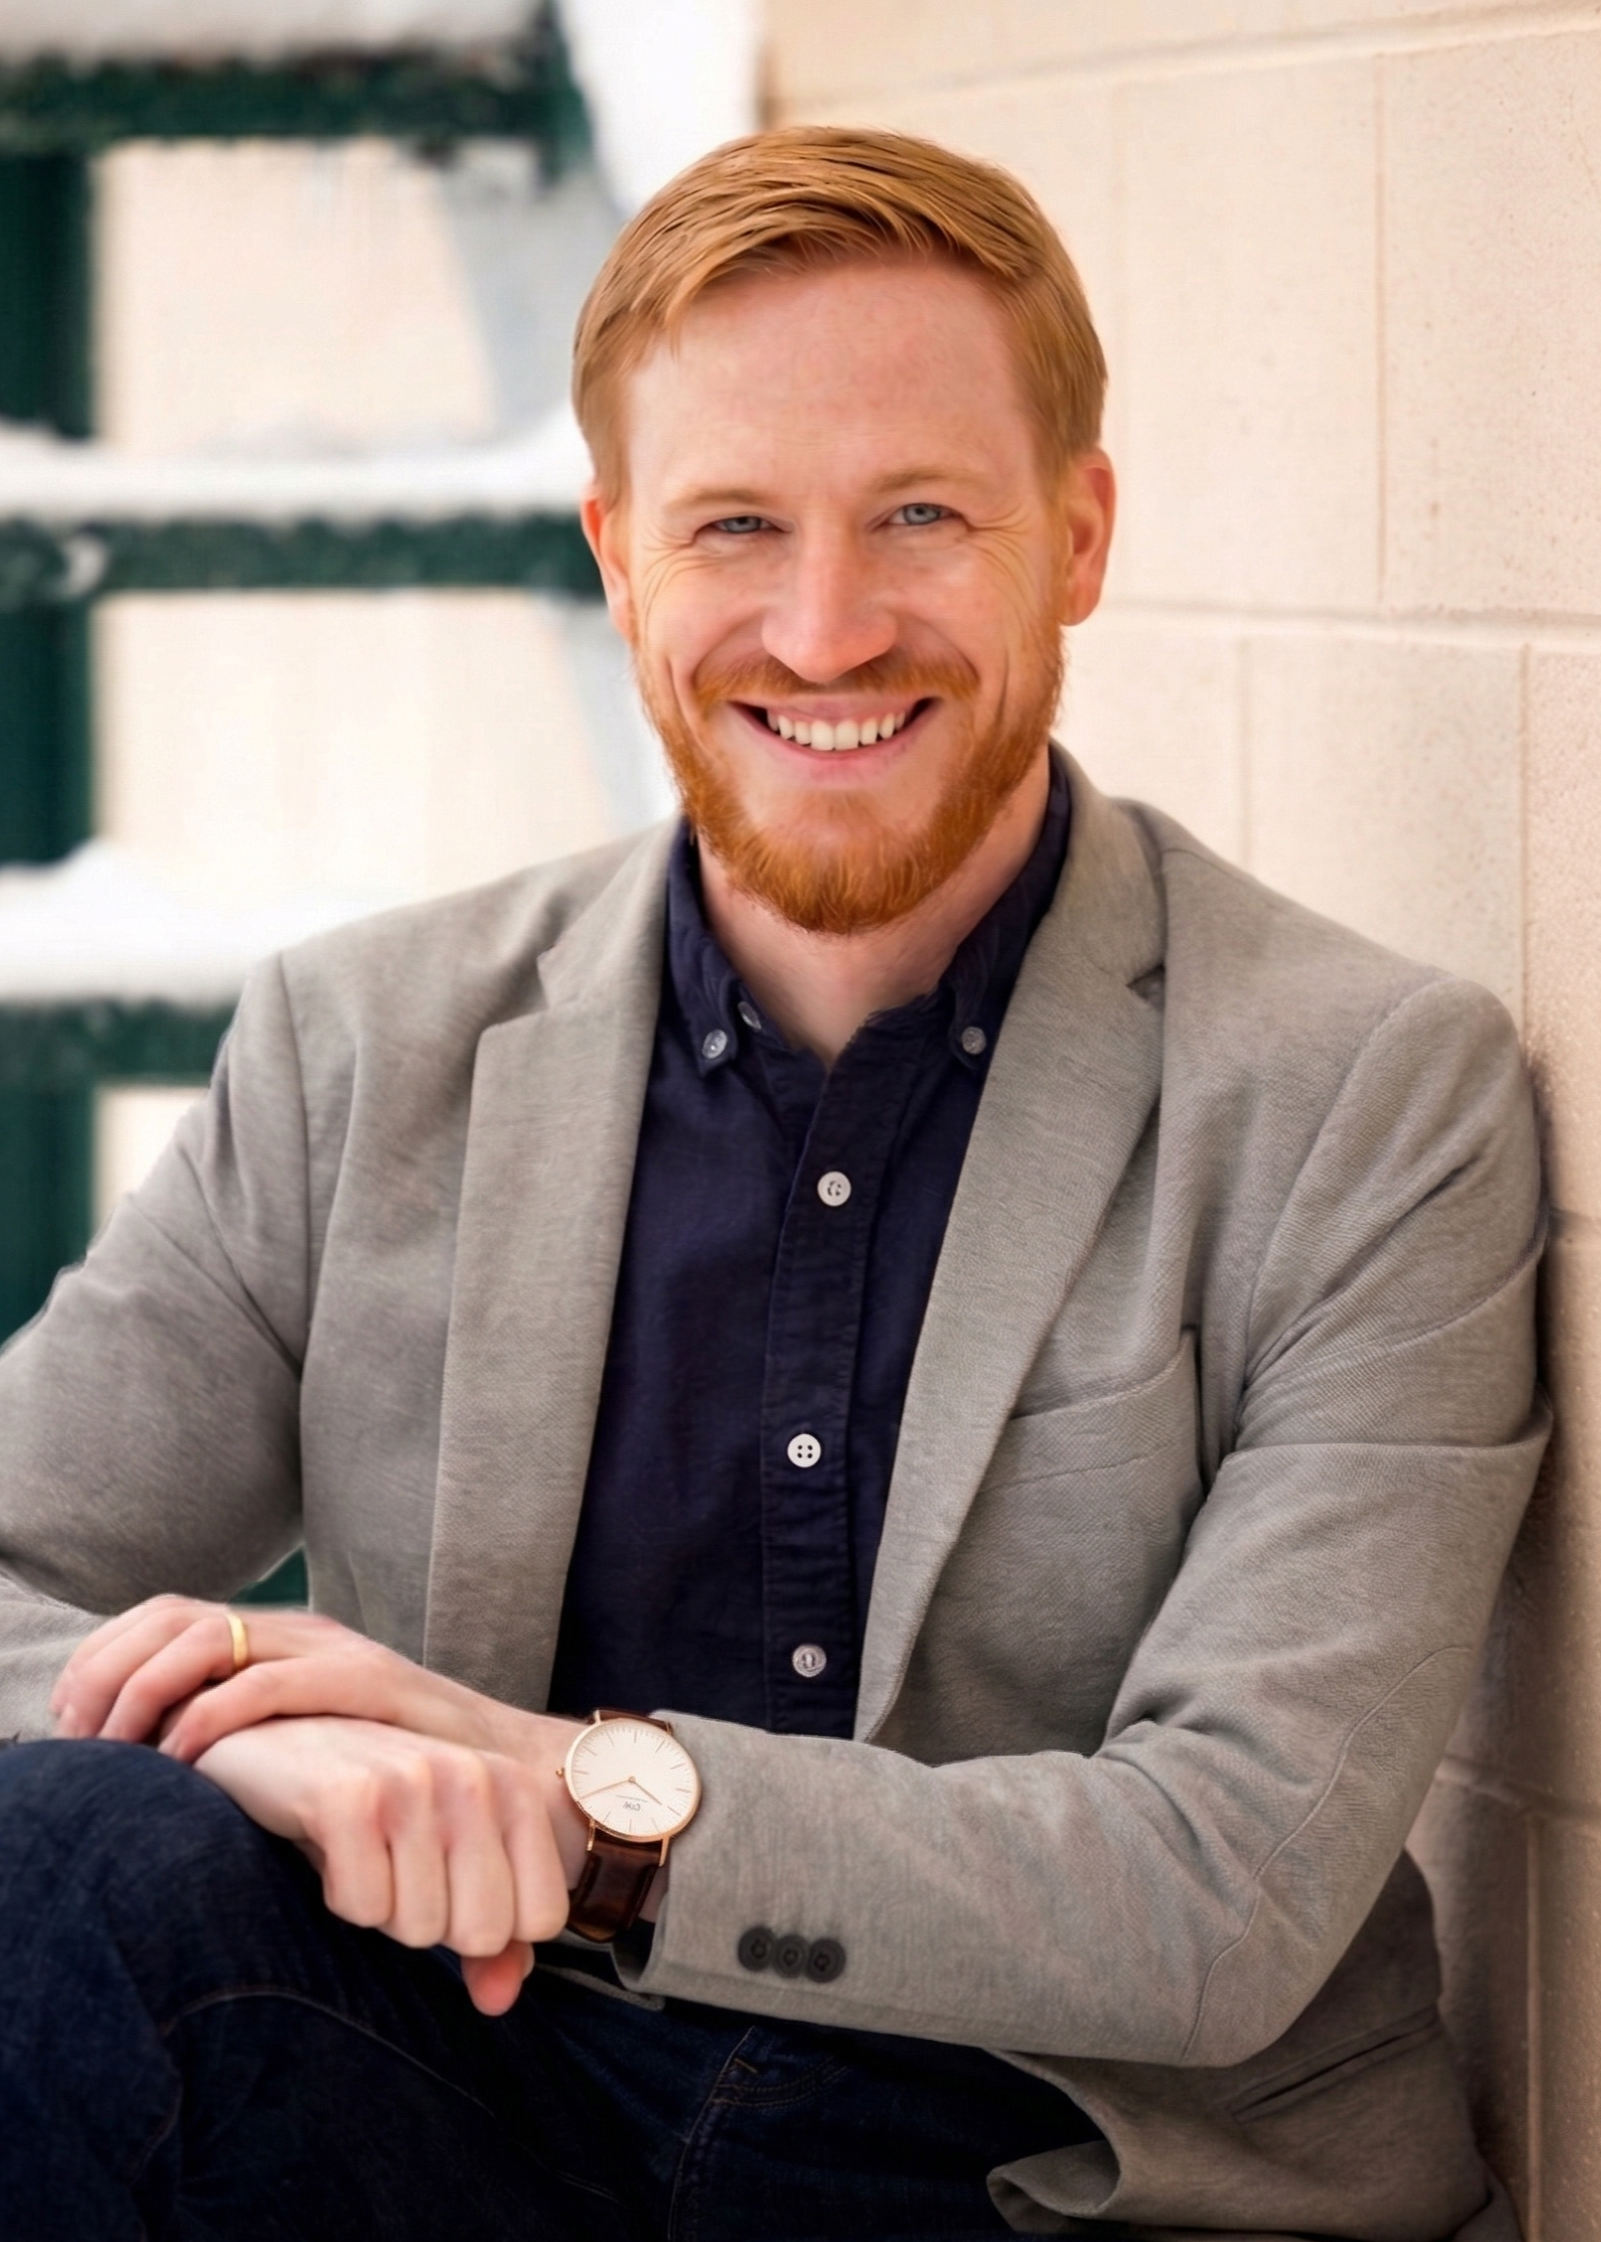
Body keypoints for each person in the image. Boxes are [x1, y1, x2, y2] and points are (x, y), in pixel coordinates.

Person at [0, 126, 1545, 2242]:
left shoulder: (1363, 1091)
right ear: (617, 557)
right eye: (735, 524)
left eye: (921, 515)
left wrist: (574, 1798)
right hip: (495, 2110)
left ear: (1076, 540)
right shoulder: (363, 1048)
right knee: (73, 1865)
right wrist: (243, 1742)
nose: (825, 631)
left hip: (1055, 2172)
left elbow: (1224, 1881)